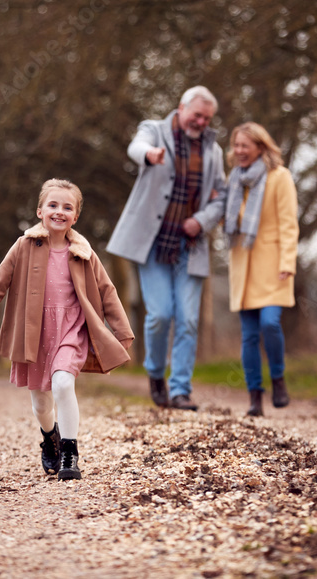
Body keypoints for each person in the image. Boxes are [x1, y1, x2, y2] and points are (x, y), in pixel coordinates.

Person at [0, 179, 134, 480]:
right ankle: (51, 438)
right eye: (53, 205)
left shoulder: (83, 252)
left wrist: (122, 333)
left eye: (67, 207)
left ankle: (70, 454)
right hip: (33, 333)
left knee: (62, 385)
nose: (59, 211)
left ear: (76, 216)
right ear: (40, 211)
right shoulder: (24, 246)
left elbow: (107, 291)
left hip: (71, 330)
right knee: (41, 403)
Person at [107, 86, 227, 411]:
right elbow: (136, 145)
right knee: (160, 315)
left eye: (206, 118)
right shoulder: (155, 130)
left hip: (191, 245)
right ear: (181, 107)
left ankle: (181, 390)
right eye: (196, 115)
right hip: (153, 244)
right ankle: (156, 374)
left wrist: (201, 220)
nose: (200, 122)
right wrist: (148, 155)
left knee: (188, 319)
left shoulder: (213, 152)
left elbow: (222, 195)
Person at [224, 122, 299, 417]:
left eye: (245, 145)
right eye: (236, 146)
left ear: (260, 147)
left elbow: (288, 223)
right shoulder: (233, 181)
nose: (239, 151)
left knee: (270, 323)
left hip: (272, 263)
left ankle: (278, 379)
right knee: (249, 335)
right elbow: (228, 219)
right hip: (242, 263)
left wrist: (287, 262)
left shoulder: (279, 177)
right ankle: (255, 395)